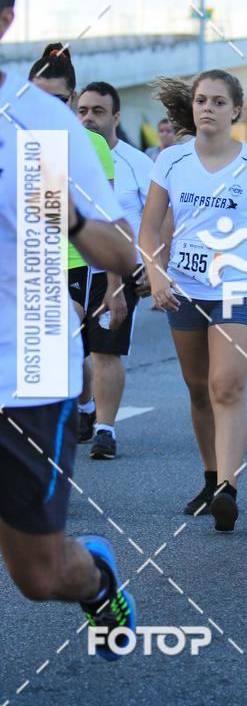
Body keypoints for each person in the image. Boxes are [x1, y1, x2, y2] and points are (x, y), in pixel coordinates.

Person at [0, 0, 137, 658]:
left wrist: (72, 222)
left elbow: (120, 249)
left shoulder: (45, 125)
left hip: (24, 372)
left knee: (38, 573)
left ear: (4, 22)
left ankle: (96, 578)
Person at [139, 71, 247, 532]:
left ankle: (228, 490)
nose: (208, 108)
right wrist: (156, 275)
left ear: (236, 110)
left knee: (226, 386)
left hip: (239, 287)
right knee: (198, 389)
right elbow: (149, 229)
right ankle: (211, 477)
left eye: (219, 102)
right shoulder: (172, 161)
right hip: (185, 289)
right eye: (201, 101)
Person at [28, 44, 115, 443]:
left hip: (71, 259)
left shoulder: (90, 145)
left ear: (73, 99)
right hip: (20, 264)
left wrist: (116, 284)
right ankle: (74, 408)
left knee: (59, 336)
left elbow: (107, 216)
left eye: (59, 101)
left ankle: (74, 411)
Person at [77, 81, 153, 459]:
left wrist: (151, 267)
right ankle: (86, 404)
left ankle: (105, 429)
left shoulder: (138, 164)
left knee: (106, 349)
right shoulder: (67, 156)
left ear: (116, 117)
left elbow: (159, 220)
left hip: (120, 269)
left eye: (98, 111)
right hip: (70, 265)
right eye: (83, 111)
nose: (89, 118)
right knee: (73, 350)